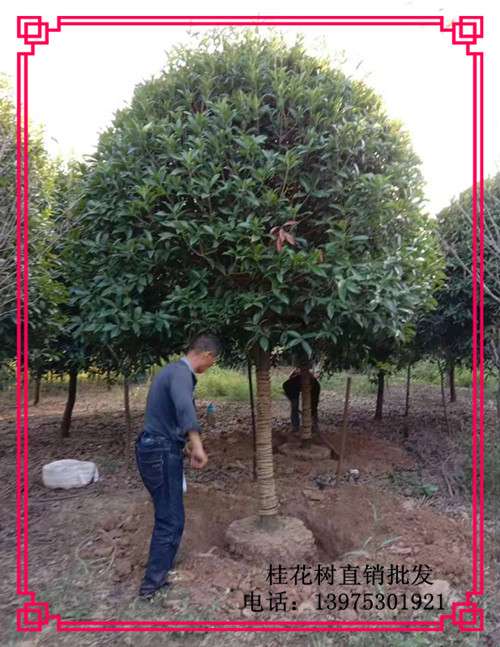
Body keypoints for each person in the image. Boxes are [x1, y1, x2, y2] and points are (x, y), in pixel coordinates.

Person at [134, 333, 221, 600]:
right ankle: (151, 585)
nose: (211, 366)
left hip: (156, 448)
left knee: (171, 515)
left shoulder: (170, 372)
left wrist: (181, 445)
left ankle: (159, 575)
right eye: (213, 361)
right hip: (159, 452)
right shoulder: (182, 374)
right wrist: (197, 445)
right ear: (206, 355)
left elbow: (166, 416)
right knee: (170, 519)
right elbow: (185, 409)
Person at [282, 367, 321, 434]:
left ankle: (314, 426)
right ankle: (296, 427)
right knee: (294, 408)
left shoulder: (315, 385)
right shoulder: (290, 385)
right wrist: (293, 402)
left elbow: (314, 404)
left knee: (313, 407)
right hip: (294, 389)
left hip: (312, 388)